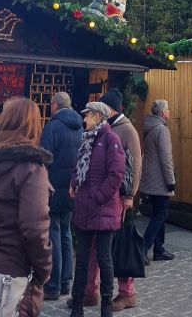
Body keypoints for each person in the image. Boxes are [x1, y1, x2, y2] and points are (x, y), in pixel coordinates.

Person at [0, 97, 52, 317]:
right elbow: (34, 229)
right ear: (34, 125)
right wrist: (44, 269)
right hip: (12, 273)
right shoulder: (31, 168)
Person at [77, 88, 142, 312]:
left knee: (119, 247)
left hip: (119, 199)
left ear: (109, 109)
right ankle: (89, 291)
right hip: (103, 201)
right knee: (97, 248)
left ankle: (127, 293)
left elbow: (134, 165)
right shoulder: (106, 130)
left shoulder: (126, 130)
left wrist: (130, 196)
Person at [69, 102, 125, 317]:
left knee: (104, 257)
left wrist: (98, 197)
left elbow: (116, 174)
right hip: (84, 208)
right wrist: (74, 183)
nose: (85, 120)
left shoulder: (111, 139)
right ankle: (77, 304)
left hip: (102, 209)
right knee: (82, 258)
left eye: (88, 116)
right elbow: (77, 167)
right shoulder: (86, 141)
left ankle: (106, 306)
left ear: (98, 116)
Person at [40, 92, 83, 301]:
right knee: (66, 234)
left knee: (54, 234)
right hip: (73, 189)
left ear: (55, 105)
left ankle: (54, 284)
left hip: (54, 188)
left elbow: (44, 158)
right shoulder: (81, 127)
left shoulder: (52, 127)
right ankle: (67, 281)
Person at [140, 99, 176, 263]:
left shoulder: (149, 128)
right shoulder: (162, 130)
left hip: (150, 178)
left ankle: (159, 248)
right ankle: (143, 247)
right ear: (162, 112)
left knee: (158, 213)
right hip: (160, 179)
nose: (169, 112)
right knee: (161, 214)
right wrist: (171, 180)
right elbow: (166, 158)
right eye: (168, 109)